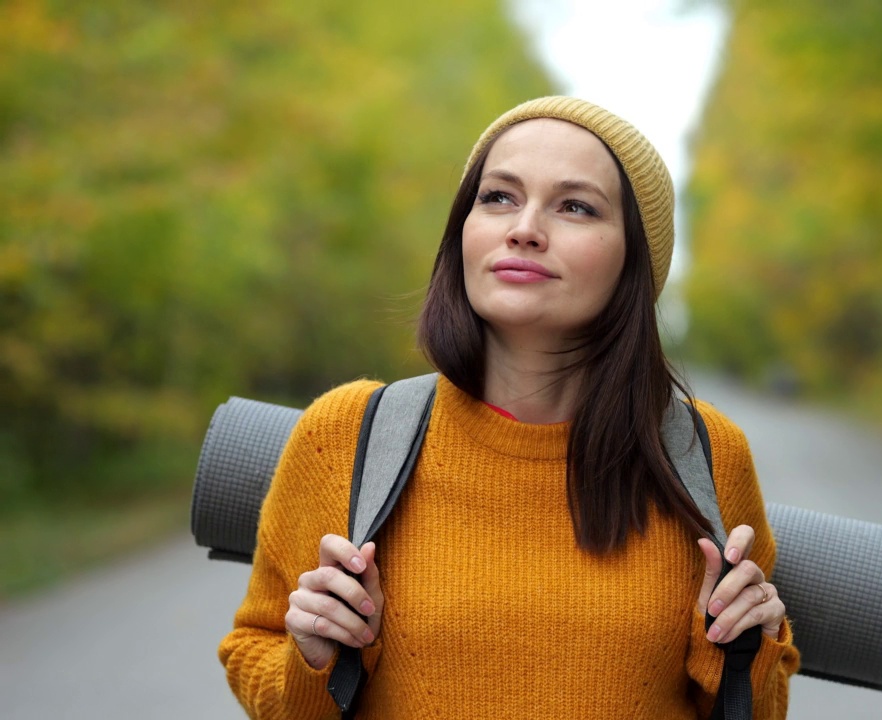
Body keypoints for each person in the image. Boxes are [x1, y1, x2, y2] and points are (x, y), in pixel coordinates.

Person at [218, 96, 800, 719]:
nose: (523, 227)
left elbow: (758, 707)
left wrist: (743, 655)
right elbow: (255, 649)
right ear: (461, 233)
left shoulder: (702, 454)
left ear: (635, 257)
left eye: (576, 206)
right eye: (498, 197)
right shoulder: (346, 436)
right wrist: (312, 660)